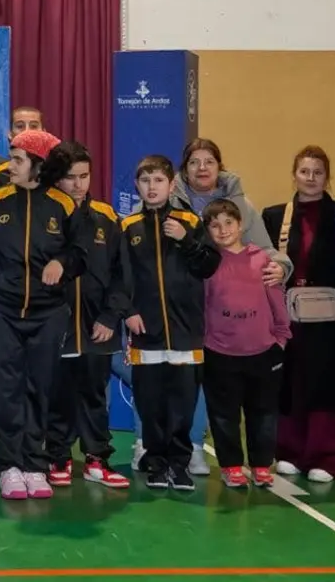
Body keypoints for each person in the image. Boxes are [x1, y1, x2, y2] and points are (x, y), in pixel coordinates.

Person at [171, 137, 291, 475]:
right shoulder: (170, 201)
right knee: (206, 397)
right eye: (194, 162)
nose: (202, 168)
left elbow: (270, 255)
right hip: (201, 326)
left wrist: (282, 268)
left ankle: (259, 461)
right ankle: (194, 449)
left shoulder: (244, 206)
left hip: (254, 342)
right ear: (184, 168)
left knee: (258, 408)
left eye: (209, 161)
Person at [0, 129, 91, 500]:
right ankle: (9, 466)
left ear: (39, 165)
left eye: (17, 160)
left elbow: (80, 253)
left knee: (39, 388)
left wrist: (62, 263)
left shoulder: (64, 204)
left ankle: (34, 465)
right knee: (7, 389)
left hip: (48, 313)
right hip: (2, 310)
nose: (9, 166)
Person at [261, 146, 335, 484]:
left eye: (318, 172)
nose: (310, 178)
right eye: (304, 171)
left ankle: (326, 456)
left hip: (331, 318)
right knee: (289, 381)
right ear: (294, 175)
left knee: (327, 383)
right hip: (287, 314)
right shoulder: (274, 216)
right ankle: (288, 451)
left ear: (327, 177)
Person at [121, 154, 221, 491]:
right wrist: (128, 311)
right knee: (150, 403)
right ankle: (156, 463)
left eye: (158, 180)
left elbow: (209, 265)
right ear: (137, 185)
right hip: (145, 331)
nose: (152, 187)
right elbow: (120, 276)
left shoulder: (190, 221)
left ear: (171, 184)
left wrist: (186, 239)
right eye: (145, 181)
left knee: (183, 402)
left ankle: (179, 465)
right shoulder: (128, 227)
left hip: (185, 330)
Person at [44, 141, 131, 490]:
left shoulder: (107, 218)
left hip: (97, 327)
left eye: (84, 176)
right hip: (57, 327)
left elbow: (122, 274)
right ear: (57, 179)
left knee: (95, 396)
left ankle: (97, 458)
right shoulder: (46, 215)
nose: (78, 184)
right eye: (70, 177)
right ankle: (58, 456)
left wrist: (110, 316)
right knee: (58, 396)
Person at [201, 198, 292, 488]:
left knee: (263, 414)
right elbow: (202, 306)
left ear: (241, 225)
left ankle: (261, 464)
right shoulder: (209, 264)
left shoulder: (262, 259)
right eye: (215, 225)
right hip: (219, 354)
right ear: (207, 231)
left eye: (229, 223)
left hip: (263, 354)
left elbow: (276, 300)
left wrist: (280, 338)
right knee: (224, 415)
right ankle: (230, 466)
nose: (223, 230)